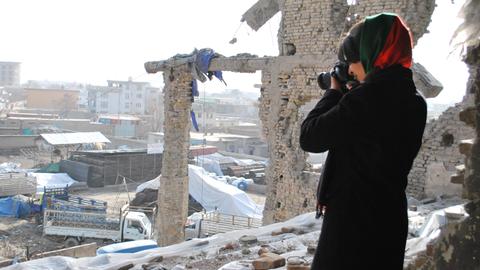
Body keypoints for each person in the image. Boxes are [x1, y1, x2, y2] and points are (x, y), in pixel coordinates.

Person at [300, 13, 427, 269]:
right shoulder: (415, 101)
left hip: (353, 223)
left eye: (354, 61)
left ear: (374, 54)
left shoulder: (366, 100)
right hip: (389, 218)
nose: (350, 69)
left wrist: (333, 92)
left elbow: (310, 136)